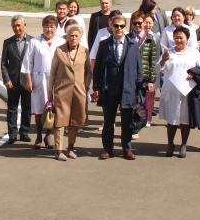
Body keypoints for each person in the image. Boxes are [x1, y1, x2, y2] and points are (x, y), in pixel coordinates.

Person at [92, 13, 144, 160]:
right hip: (110, 88)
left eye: (122, 26)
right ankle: (108, 149)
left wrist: (138, 90)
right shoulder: (104, 44)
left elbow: (139, 69)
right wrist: (96, 86)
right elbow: (98, 69)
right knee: (109, 120)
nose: (119, 29)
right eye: (116, 26)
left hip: (128, 89)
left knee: (127, 121)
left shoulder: (133, 45)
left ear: (126, 28)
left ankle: (127, 149)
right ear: (111, 27)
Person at [158, 26, 200, 158]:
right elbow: (159, 68)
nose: (179, 40)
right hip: (171, 91)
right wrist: (163, 59)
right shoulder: (168, 52)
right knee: (172, 119)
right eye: (176, 37)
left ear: (187, 39)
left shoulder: (193, 53)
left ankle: (183, 144)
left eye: (181, 38)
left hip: (187, 92)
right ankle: (170, 144)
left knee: (185, 119)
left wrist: (194, 74)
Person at [47, 23, 92, 161]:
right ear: (67, 36)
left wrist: (86, 86)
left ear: (80, 37)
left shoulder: (84, 51)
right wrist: (50, 90)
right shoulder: (59, 50)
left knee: (74, 120)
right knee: (60, 121)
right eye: (71, 36)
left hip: (79, 91)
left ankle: (70, 148)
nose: (73, 38)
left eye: (76, 36)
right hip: (62, 90)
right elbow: (53, 71)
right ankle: (58, 150)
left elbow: (89, 71)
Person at [22, 15, 60, 150]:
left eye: (52, 27)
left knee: (52, 110)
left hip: (56, 82)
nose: (49, 30)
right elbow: (27, 63)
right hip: (39, 80)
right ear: (43, 27)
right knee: (39, 110)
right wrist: (29, 81)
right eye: (47, 27)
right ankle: (38, 136)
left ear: (56, 28)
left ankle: (48, 136)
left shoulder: (60, 43)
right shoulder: (34, 42)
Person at [0, 15, 33, 144]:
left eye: (19, 25)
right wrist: (6, 79)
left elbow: (34, 62)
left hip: (27, 81)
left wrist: (33, 80)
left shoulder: (32, 41)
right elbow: (4, 63)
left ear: (24, 25)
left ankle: (24, 132)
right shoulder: (8, 43)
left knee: (27, 108)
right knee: (12, 108)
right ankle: (12, 133)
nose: (17, 28)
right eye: (14, 26)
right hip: (12, 82)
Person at [131, 12, 156, 137]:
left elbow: (153, 61)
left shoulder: (150, 39)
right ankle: (130, 127)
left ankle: (136, 128)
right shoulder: (128, 38)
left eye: (139, 23)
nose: (137, 25)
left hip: (144, 77)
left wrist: (151, 80)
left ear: (144, 23)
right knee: (130, 103)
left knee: (141, 103)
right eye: (135, 23)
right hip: (130, 77)